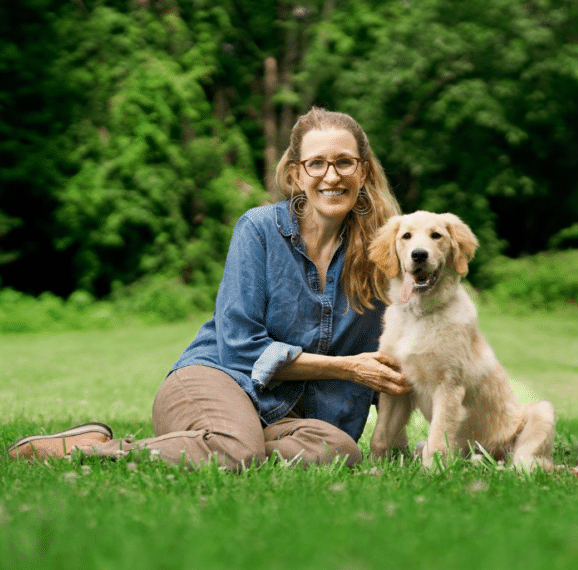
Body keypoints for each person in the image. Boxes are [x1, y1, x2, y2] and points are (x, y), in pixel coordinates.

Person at [7, 108, 411, 470]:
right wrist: (349, 368)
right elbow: (239, 345)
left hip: (281, 418)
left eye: (344, 162)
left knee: (339, 451)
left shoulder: (383, 254)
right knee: (237, 449)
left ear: (363, 171)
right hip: (216, 378)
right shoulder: (259, 230)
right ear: (296, 175)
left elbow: (398, 350)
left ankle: (221, 446)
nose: (332, 175)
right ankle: (84, 451)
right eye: (317, 163)